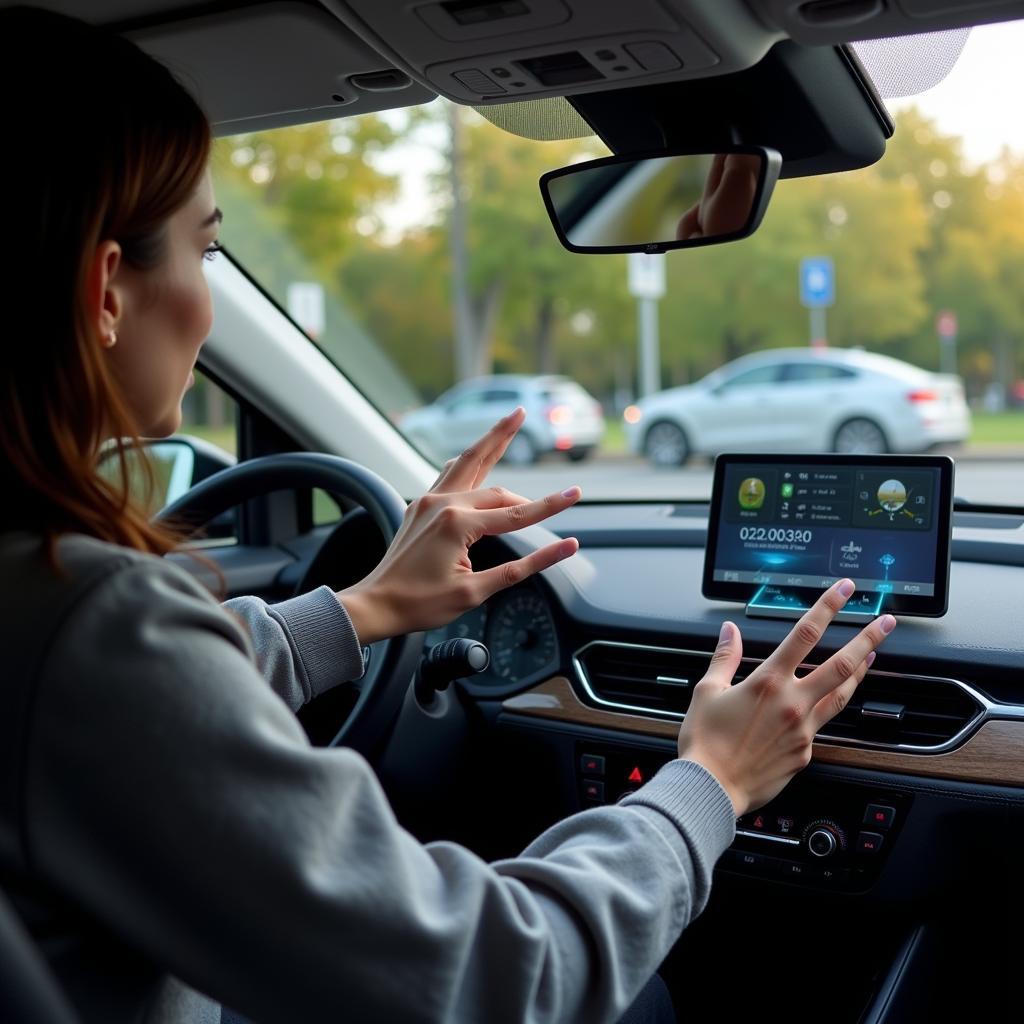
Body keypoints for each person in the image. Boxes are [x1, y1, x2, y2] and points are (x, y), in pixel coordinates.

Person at [0, 8, 895, 1024]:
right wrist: (711, 780)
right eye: (206, 253)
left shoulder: (46, 613)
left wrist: (365, 607)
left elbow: (137, 706)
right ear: (105, 288)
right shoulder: (88, 621)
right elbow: (498, 977)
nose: (207, 298)